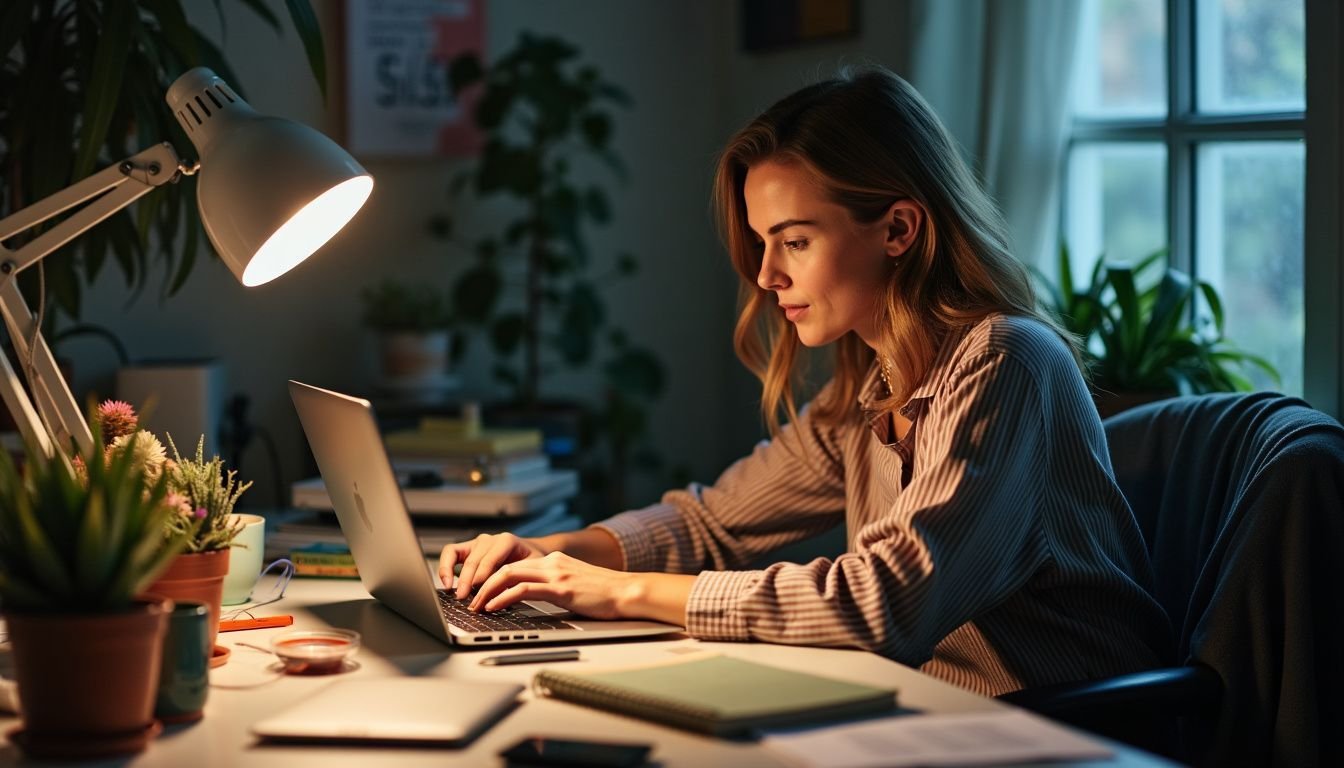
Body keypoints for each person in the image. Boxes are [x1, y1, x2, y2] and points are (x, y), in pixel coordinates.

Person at [438, 65, 1170, 696]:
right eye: (763, 242)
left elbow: (887, 605)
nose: (765, 274)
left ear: (898, 230)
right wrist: (554, 553)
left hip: (1070, 732)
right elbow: (713, 524)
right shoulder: (869, 385)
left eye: (794, 240)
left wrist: (620, 590)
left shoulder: (1007, 363)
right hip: (929, 720)